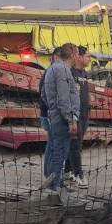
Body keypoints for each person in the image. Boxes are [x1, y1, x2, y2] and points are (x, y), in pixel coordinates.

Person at [40, 43, 80, 195]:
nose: (78, 57)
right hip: (63, 120)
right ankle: (55, 187)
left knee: (58, 152)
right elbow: (64, 98)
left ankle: (55, 184)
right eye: (77, 54)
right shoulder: (63, 70)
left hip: (56, 116)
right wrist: (71, 119)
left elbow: (43, 94)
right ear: (72, 54)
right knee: (60, 153)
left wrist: (52, 109)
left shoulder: (51, 69)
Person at [63, 46, 91, 189]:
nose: (90, 59)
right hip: (74, 115)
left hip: (84, 114)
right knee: (75, 145)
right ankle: (78, 174)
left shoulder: (84, 73)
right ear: (78, 57)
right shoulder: (70, 72)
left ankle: (68, 171)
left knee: (76, 144)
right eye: (87, 56)